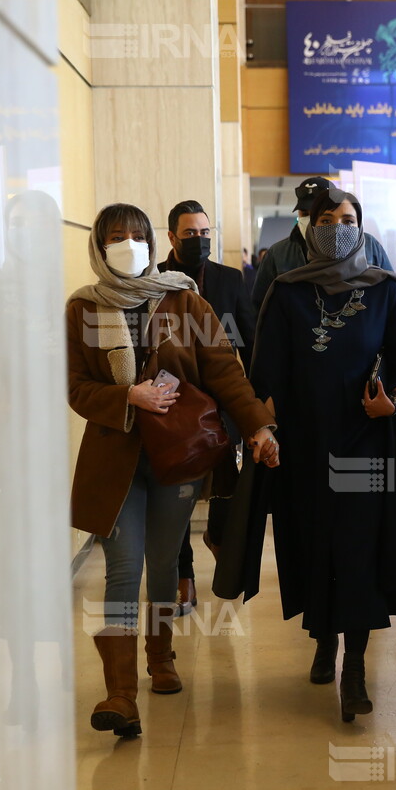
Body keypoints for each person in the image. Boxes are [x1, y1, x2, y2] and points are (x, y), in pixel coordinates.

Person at [67, 203, 278, 738]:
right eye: (117, 236)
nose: (129, 245)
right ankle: (119, 694)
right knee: (121, 567)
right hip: (115, 459)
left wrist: (257, 426)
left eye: (137, 236)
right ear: (98, 244)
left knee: (163, 564)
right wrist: (126, 395)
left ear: (152, 243)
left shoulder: (185, 299)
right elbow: (73, 386)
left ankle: (160, 656)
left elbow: (225, 372)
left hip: (176, 455)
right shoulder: (82, 308)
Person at [248, 188, 396, 722]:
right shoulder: (287, 291)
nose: (338, 227)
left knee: (359, 550)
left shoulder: (387, 289)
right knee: (314, 543)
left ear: (361, 227)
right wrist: (264, 427)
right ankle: (324, 637)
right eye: (327, 219)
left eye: (348, 219)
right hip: (305, 443)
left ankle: (356, 669)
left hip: (367, 442)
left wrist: (391, 399)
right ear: (310, 227)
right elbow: (265, 371)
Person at [158, 199, 257, 615]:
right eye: (189, 234)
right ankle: (184, 575)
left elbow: (249, 341)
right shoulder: (154, 280)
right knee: (177, 492)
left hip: (221, 403)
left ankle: (217, 537)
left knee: (225, 484)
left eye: (204, 233)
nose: (198, 241)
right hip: (173, 404)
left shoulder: (230, 280)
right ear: (171, 238)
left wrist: (256, 402)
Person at [251, 176, 393, 311]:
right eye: (304, 213)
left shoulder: (369, 246)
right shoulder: (278, 253)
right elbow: (260, 305)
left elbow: (390, 295)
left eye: (315, 213)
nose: (309, 219)